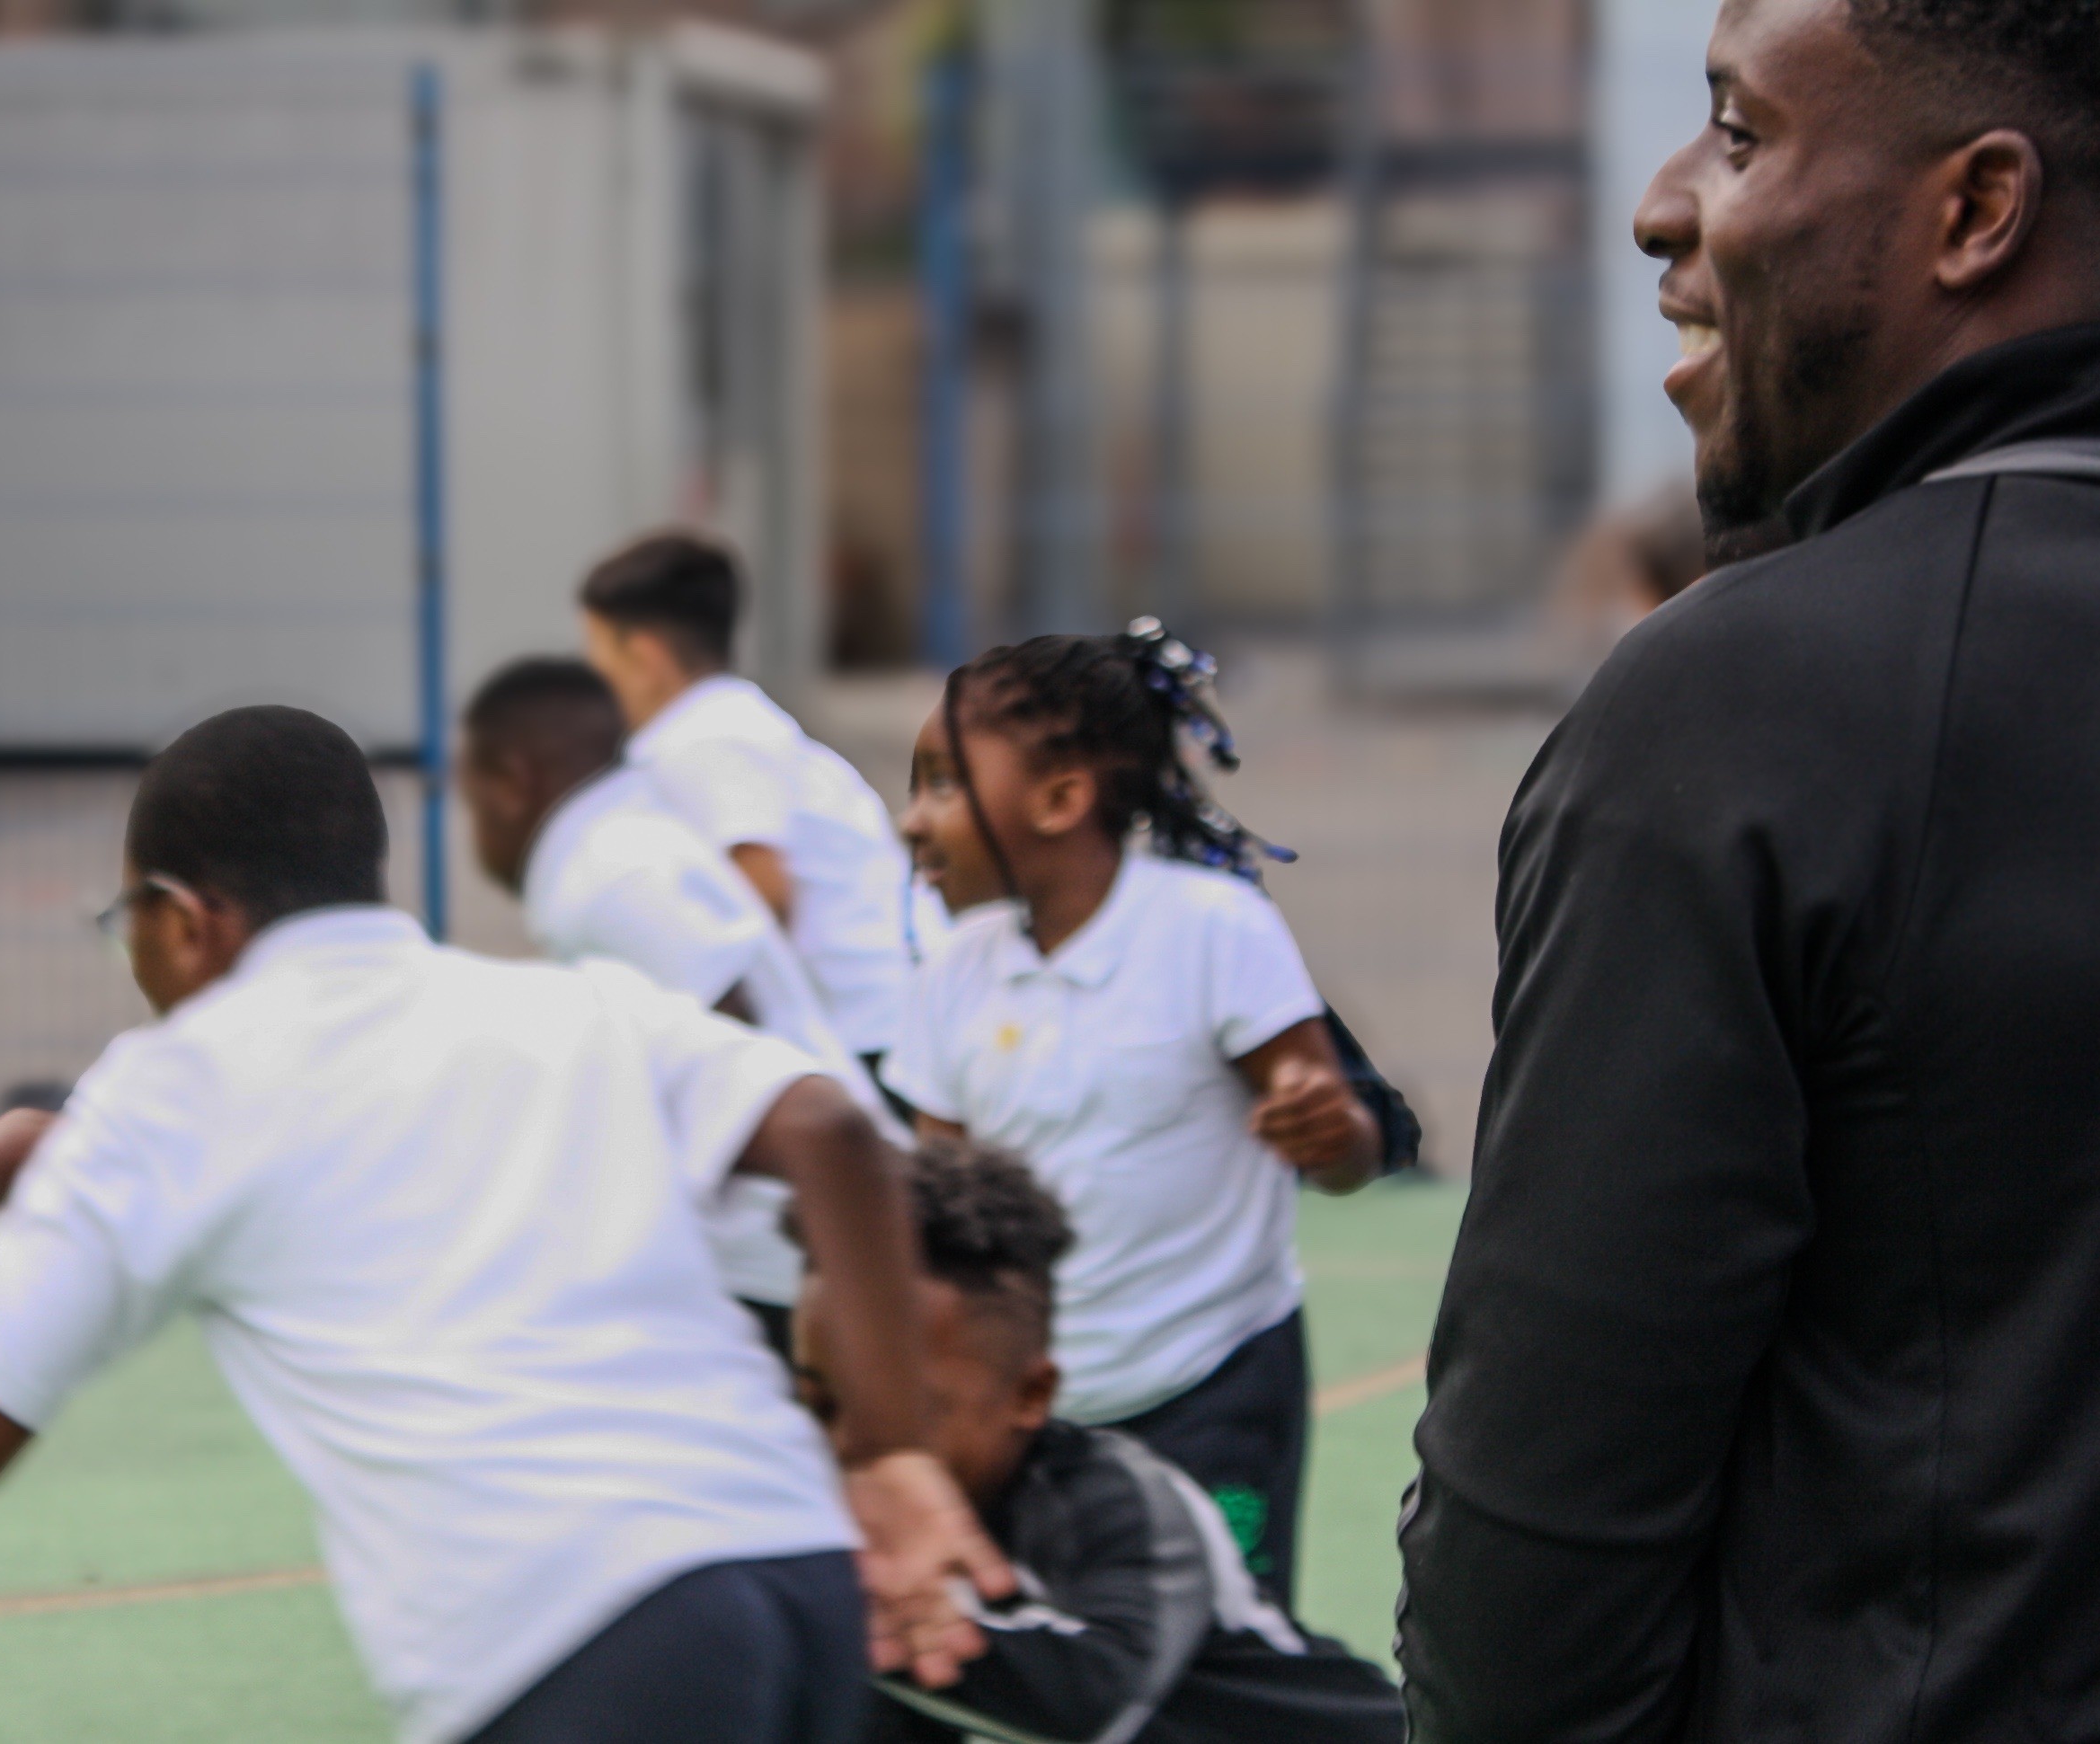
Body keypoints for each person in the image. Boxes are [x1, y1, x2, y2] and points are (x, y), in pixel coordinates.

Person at [1400, 1, 2100, 1738]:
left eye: (1738, 133)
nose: (1662, 206)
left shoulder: (1737, 709)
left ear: (1973, 211)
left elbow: (1534, 1573)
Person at [0, 704, 1014, 1744]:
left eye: (124, 922)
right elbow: (831, 1130)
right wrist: (893, 1451)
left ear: (185, 922)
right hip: (797, 1566)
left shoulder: (175, 1084)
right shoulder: (565, 1001)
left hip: (571, 1636)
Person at [881, 624, 1390, 1611]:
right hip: (1035, 1406)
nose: (911, 821)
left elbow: (1345, 1155)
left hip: (1213, 1385)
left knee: (1223, 1654)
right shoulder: (950, 975)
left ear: (1061, 799)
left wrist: (1333, 1132)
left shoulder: (1213, 931)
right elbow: (943, 1217)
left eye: (942, 785)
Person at [793, 1137, 1408, 1744]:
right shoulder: (825, 1509)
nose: (851, 1445)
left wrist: (833, 1618)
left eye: (908, 1413)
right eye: (818, 1404)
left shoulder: (1124, 1500)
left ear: (1031, 1393)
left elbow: (1087, 1700)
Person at [460, 654, 903, 1349]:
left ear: (513, 782)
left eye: (472, 799)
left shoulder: (612, 872)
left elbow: (735, 1031)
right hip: (784, 1235)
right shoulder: (622, 843)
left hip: (778, 1244)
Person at [579, 530, 920, 1072]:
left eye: (596, 652)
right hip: (866, 1025)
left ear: (643, 658)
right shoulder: (724, 723)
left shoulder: (709, 737)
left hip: (857, 1036)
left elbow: (763, 892)